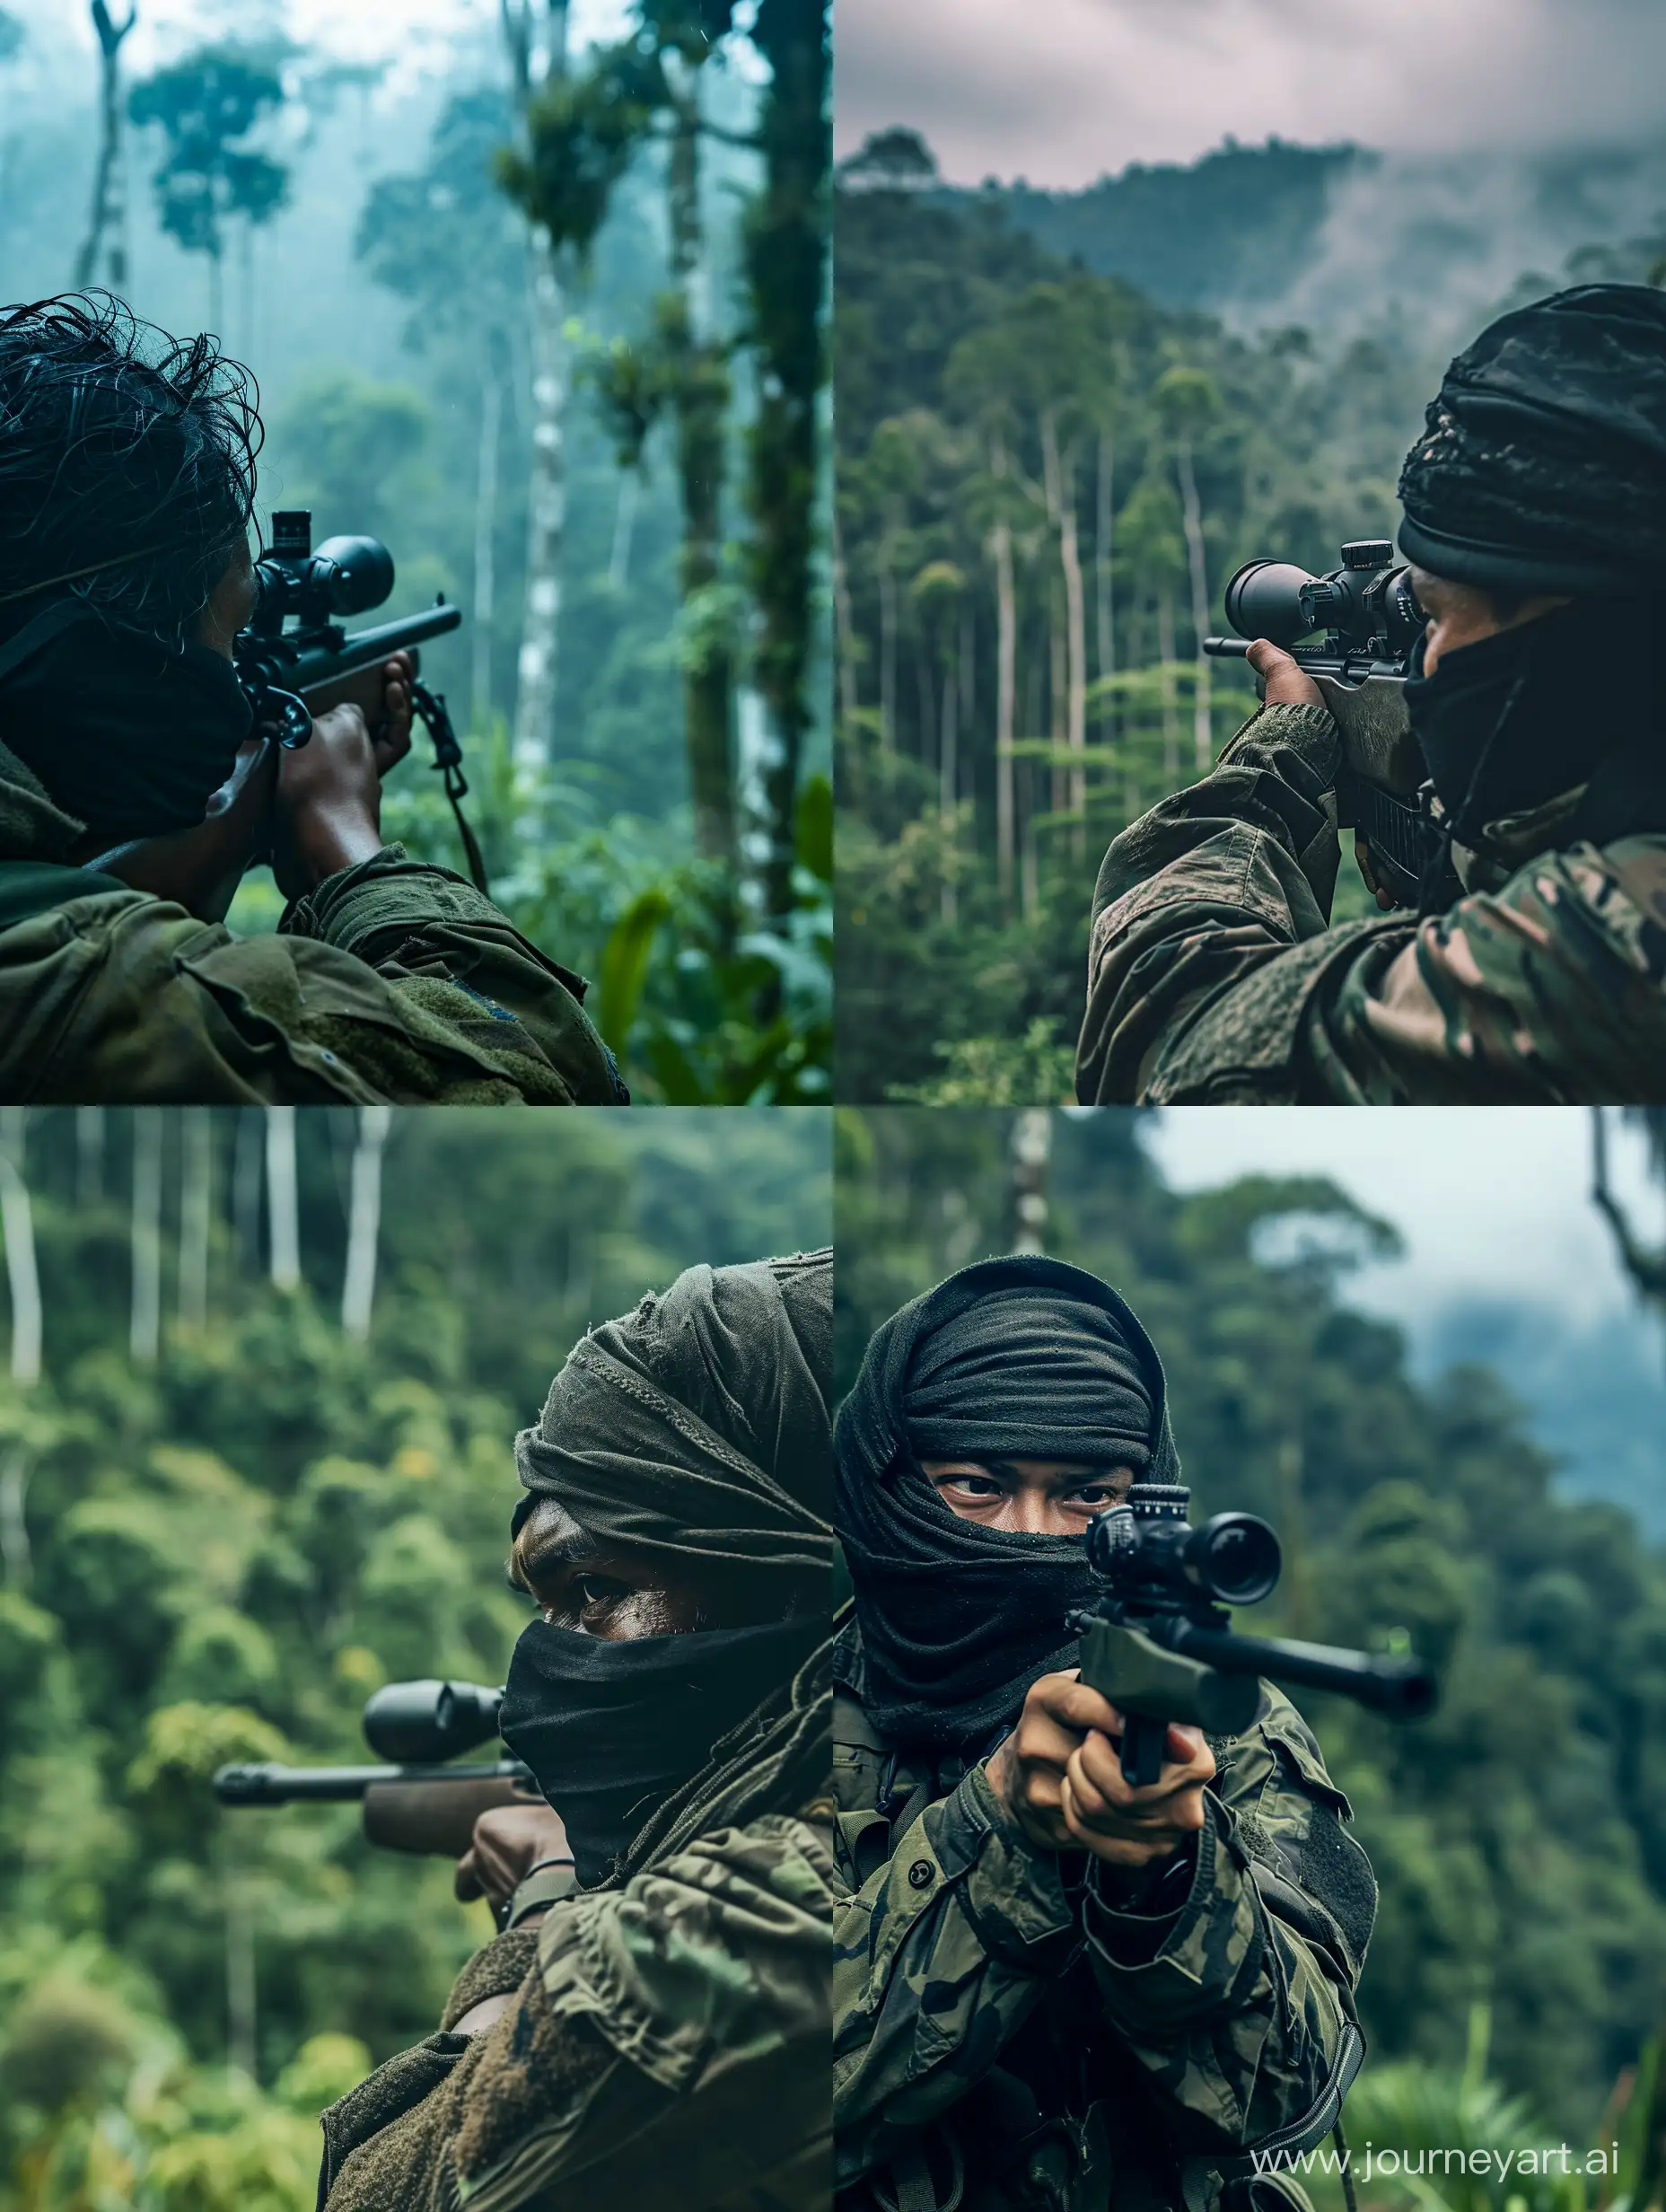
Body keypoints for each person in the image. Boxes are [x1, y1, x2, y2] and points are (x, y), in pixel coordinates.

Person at [832, 1255, 1375, 2212]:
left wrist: (1165, 1876)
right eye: (972, 1484)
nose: (1035, 1536)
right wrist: (998, 1832)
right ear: (889, 1485)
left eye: (1087, 1497)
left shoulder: (1220, 1716)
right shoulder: (778, 1710)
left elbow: (1285, 2092)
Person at [0, 294, 625, 1103]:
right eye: (225, 641)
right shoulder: (68, 984)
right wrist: (347, 843)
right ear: (97, 665)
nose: (231, 690)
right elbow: (544, 1087)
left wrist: (233, 829)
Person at [317, 1251, 835, 2212]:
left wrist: (546, 1912)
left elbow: (384, 2189)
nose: (535, 1686)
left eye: (594, 1591)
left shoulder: (789, 1887)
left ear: (791, 1577)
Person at [1076, 282, 1666, 1105]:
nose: (1427, 660)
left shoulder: (1618, 937)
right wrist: (1462, 877)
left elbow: (1167, 1050)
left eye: (1432, 615)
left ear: (1586, 638)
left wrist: (1277, 761)